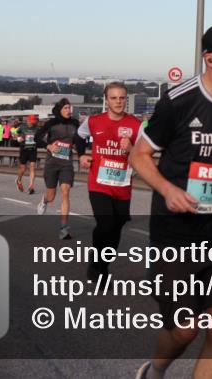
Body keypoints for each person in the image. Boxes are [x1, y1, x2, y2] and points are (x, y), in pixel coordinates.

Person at [128, 23, 212, 379]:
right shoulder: (179, 101)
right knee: (186, 329)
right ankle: (156, 370)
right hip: (175, 234)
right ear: (210, 58)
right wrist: (167, 189)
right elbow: (140, 155)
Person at [75, 81, 142, 280]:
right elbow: (79, 137)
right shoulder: (94, 121)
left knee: (118, 225)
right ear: (106, 100)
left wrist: (131, 149)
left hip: (122, 185)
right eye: (113, 98)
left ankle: (102, 260)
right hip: (99, 183)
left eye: (122, 98)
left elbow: (145, 152)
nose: (118, 102)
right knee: (106, 224)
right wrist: (81, 155)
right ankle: (98, 267)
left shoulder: (135, 125)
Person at [36, 99, 80, 239]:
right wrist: (48, 146)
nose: (69, 110)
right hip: (52, 163)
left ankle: (64, 229)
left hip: (67, 163)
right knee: (51, 196)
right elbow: (37, 138)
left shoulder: (74, 123)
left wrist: (76, 146)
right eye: (66, 108)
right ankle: (44, 200)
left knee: (65, 192)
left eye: (70, 108)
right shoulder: (51, 123)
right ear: (60, 109)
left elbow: (79, 140)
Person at [15, 114, 40, 194]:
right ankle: (18, 180)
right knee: (23, 169)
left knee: (32, 167)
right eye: (31, 121)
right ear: (28, 120)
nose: (32, 123)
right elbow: (16, 133)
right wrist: (18, 138)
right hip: (24, 149)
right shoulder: (22, 127)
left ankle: (31, 186)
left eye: (34, 122)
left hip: (33, 149)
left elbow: (39, 138)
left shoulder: (37, 128)